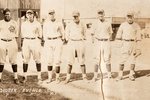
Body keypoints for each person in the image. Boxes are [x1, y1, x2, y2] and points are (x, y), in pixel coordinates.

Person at [116, 11, 141, 81]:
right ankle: (120, 75)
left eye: (131, 17)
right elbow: (118, 36)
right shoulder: (123, 25)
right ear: (126, 17)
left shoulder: (136, 25)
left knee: (133, 60)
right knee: (122, 60)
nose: (129, 18)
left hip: (133, 43)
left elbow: (139, 38)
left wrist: (138, 48)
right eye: (128, 17)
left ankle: (131, 74)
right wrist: (120, 45)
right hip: (125, 43)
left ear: (133, 17)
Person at [65, 11, 87, 83]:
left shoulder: (83, 24)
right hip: (72, 42)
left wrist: (83, 39)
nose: (75, 18)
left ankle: (84, 77)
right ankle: (68, 78)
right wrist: (68, 40)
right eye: (74, 16)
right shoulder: (69, 24)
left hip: (80, 42)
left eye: (76, 16)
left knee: (82, 61)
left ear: (79, 16)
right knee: (70, 61)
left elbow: (85, 33)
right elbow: (66, 34)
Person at [43, 9, 64, 83]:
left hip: (57, 40)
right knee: (49, 60)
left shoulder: (59, 22)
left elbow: (62, 32)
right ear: (48, 15)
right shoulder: (46, 23)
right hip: (49, 41)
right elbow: (44, 33)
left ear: (54, 14)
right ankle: (50, 78)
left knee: (57, 60)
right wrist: (46, 41)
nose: (51, 15)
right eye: (50, 14)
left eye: (52, 13)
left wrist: (62, 40)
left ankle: (57, 78)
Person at [21, 10, 43, 84]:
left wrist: (37, 42)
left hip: (35, 41)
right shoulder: (23, 24)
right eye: (28, 14)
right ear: (26, 15)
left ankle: (39, 77)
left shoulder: (37, 24)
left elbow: (40, 35)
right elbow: (22, 34)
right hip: (26, 41)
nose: (29, 15)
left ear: (33, 15)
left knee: (37, 59)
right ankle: (24, 77)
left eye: (31, 14)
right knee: (25, 60)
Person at [92, 9, 113, 81]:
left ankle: (109, 75)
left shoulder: (108, 22)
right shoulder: (95, 23)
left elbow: (111, 33)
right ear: (97, 15)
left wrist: (108, 40)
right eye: (99, 14)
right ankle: (95, 76)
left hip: (106, 41)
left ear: (104, 14)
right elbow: (92, 33)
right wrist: (94, 41)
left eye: (101, 13)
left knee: (107, 58)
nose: (100, 15)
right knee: (96, 59)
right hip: (98, 41)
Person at [0, 8, 19, 84]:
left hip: (12, 41)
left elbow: (16, 35)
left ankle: (16, 77)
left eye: (8, 14)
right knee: (1, 61)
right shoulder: (0, 22)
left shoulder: (14, 23)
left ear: (10, 14)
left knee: (13, 61)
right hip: (2, 41)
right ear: (4, 15)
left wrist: (16, 44)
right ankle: (0, 78)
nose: (7, 15)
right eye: (6, 14)